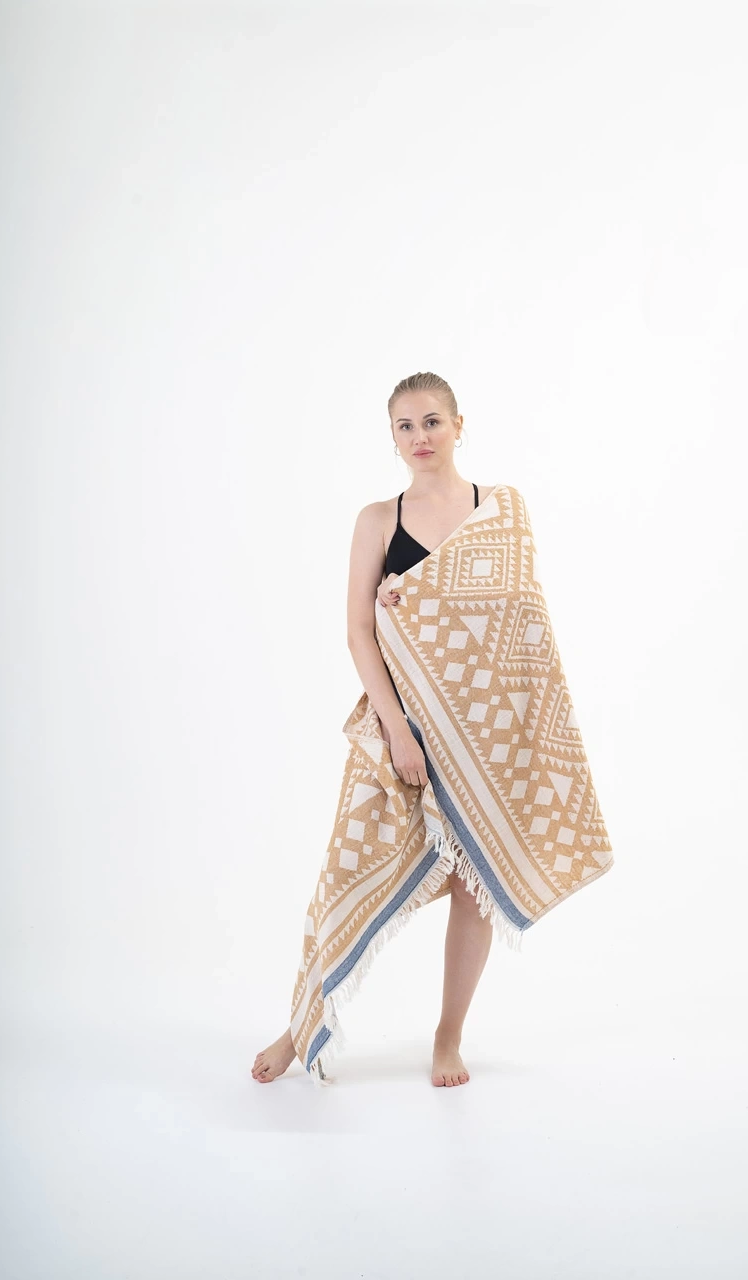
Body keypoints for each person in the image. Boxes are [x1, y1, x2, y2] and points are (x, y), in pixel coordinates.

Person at [252, 372, 494, 1087]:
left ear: (458, 425)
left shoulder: (498, 511)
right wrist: (398, 731)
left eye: (432, 421)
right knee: (346, 873)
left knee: (475, 884)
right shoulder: (378, 521)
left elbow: (519, 623)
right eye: (405, 426)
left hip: (482, 729)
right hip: (398, 727)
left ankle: (448, 1037)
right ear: (392, 436)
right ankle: (301, 1026)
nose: (420, 437)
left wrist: (414, 603)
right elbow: (360, 631)